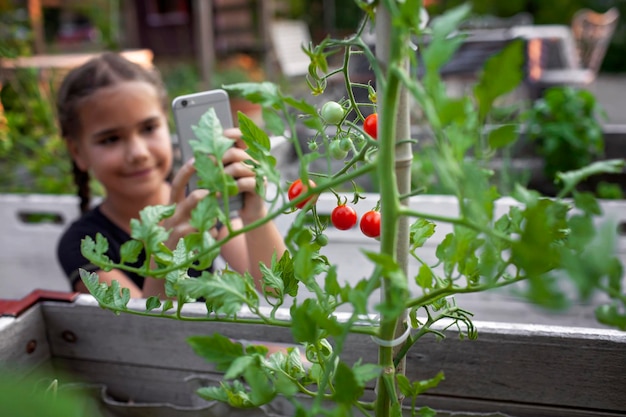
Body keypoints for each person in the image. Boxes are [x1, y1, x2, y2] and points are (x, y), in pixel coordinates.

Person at [56, 52, 286, 298]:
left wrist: (255, 214)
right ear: (77, 151)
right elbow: (144, 330)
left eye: (148, 128)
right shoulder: (82, 245)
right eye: (110, 139)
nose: (138, 153)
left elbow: (275, 288)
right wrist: (169, 255)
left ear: (167, 123)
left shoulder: (202, 204)